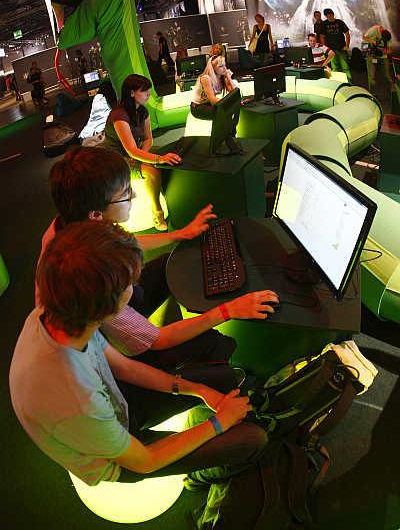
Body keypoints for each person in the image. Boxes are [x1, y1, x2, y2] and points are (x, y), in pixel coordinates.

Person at [11, 220, 273, 488]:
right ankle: (197, 480)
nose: (134, 289)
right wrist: (220, 423)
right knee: (253, 439)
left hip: (116, 401)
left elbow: (123, 367)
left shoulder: (54, 316)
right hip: (121, 458)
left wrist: (195, 389)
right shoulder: (78, 399)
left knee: (222, 378)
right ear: (107, 310)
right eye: (129, 286)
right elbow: (145, 460)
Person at [37, 146, 280, 375]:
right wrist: (227, 311)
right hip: (110, 350)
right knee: (216, 344)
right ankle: (229, 380)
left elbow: (121, 240)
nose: (133, 195)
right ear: (96, 215)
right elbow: (157, 340)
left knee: (168, 263)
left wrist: (179, 234)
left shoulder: (71, 226)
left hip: (110, 308)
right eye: (125, 194)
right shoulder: (92, 278)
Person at [102, 74, 181, 231]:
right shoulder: (119, 116)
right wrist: (155, 159)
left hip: (133, 154)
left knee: (171, 158)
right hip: (115, 160)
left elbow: (148, 139)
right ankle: (157, 210)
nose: (149, 94)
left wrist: (143, 157)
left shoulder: (143, 111)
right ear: (132, 93)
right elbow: (130, 149)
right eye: (144, 91)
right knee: (153, 170)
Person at [190, 55, 236, 120]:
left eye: (224, 65)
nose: (225, 68)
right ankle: (220, 130)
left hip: (208, 104)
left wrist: (229, 78)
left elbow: (234, 92)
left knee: (232, 108)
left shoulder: (222, 76)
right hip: (198, 107)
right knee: (223, 112)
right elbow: (212, 100)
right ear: (212, 67)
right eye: (221, 66)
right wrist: (229, 103)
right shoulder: (206, 78)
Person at [320, 8, 352, 82]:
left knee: (345, 67)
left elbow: (347, 34)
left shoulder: (339, 22)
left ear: (333, 14)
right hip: (331, 50)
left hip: (341, 48)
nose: (329, 16)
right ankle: (337, 83)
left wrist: (347, 45)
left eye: (330, 14)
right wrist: (325, 49)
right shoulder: (324, 24)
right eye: (327, 15)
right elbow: (322, 37)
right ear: (326, 16)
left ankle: (349, 83)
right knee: (335, 68)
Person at [362, 25, 394, 97]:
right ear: (381, 34)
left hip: (383, 56)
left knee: (387, 75)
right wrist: (373, 41)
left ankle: (392, 92)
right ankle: (373, 94)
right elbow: (364, 37)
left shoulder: (388, 36)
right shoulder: (374, 30)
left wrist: (382, 51)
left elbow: (390, 50)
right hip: (371, 55)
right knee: (372, 76)